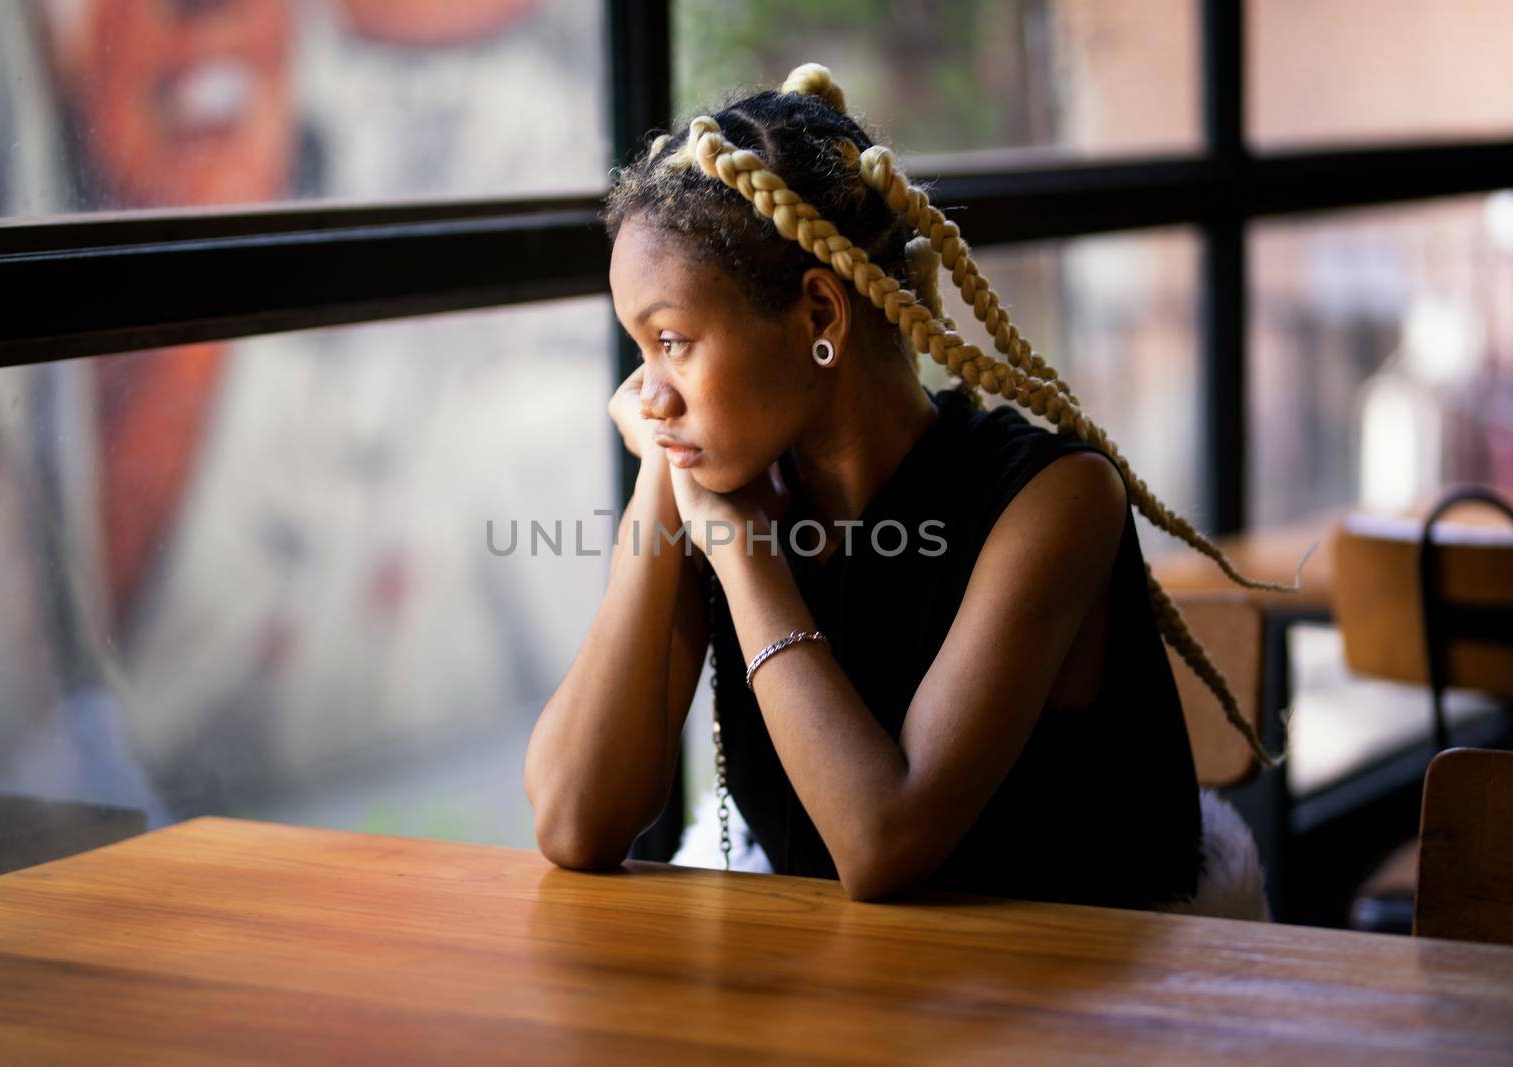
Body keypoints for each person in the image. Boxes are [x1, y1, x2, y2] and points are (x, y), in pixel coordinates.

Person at [524, 64, 1299, 911]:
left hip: (1069, 1013)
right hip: (841, 1007)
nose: (646, 396)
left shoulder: (1054, 500)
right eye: (640, 351)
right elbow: (574, 819)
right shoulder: (730, 480)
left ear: (820, 316)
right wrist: (658, 477)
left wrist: (742, 553)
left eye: (671, 340)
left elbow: (883, 842)